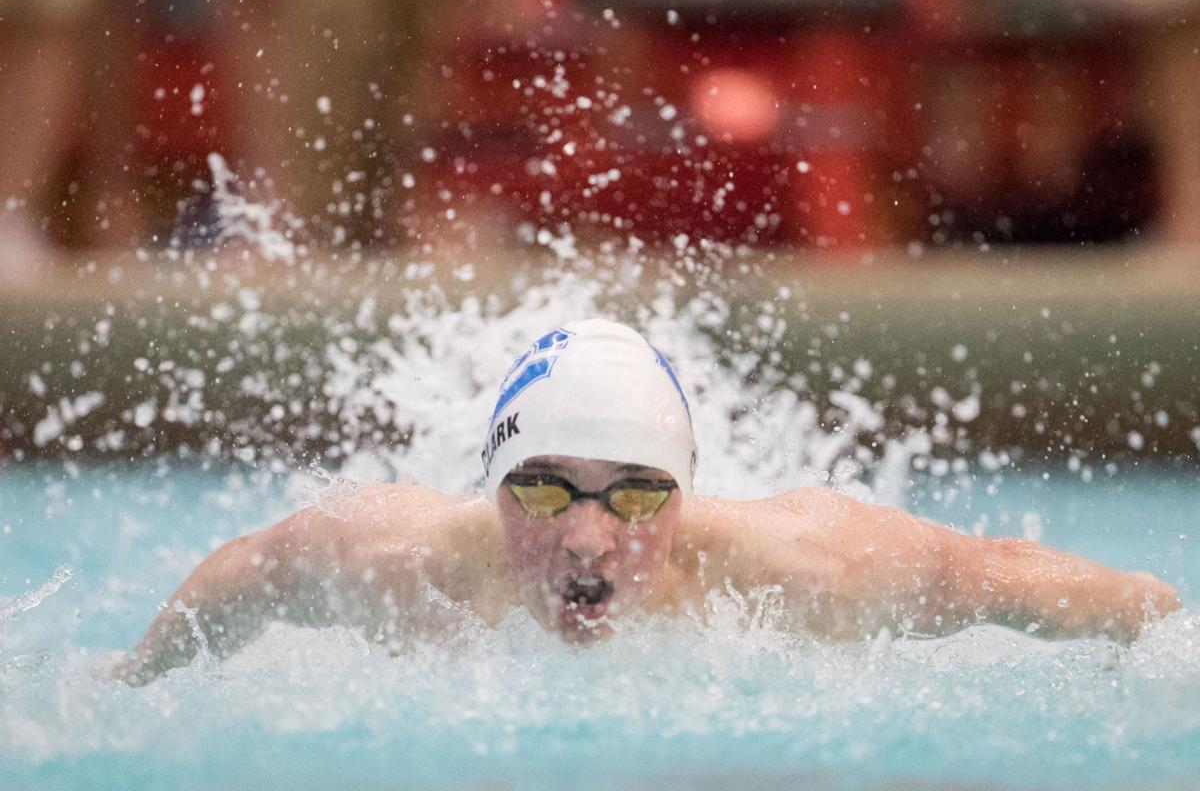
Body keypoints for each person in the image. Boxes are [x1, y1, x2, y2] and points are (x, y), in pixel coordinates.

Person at [111, 319, 1181, 685]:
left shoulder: (810, 569)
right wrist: (125, 679)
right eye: (540, 487)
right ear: (491, 485)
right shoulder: (395, 556)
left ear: (686, 492)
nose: (587, 536)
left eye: (635, 495)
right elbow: (241, 575)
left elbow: (1014, 579)